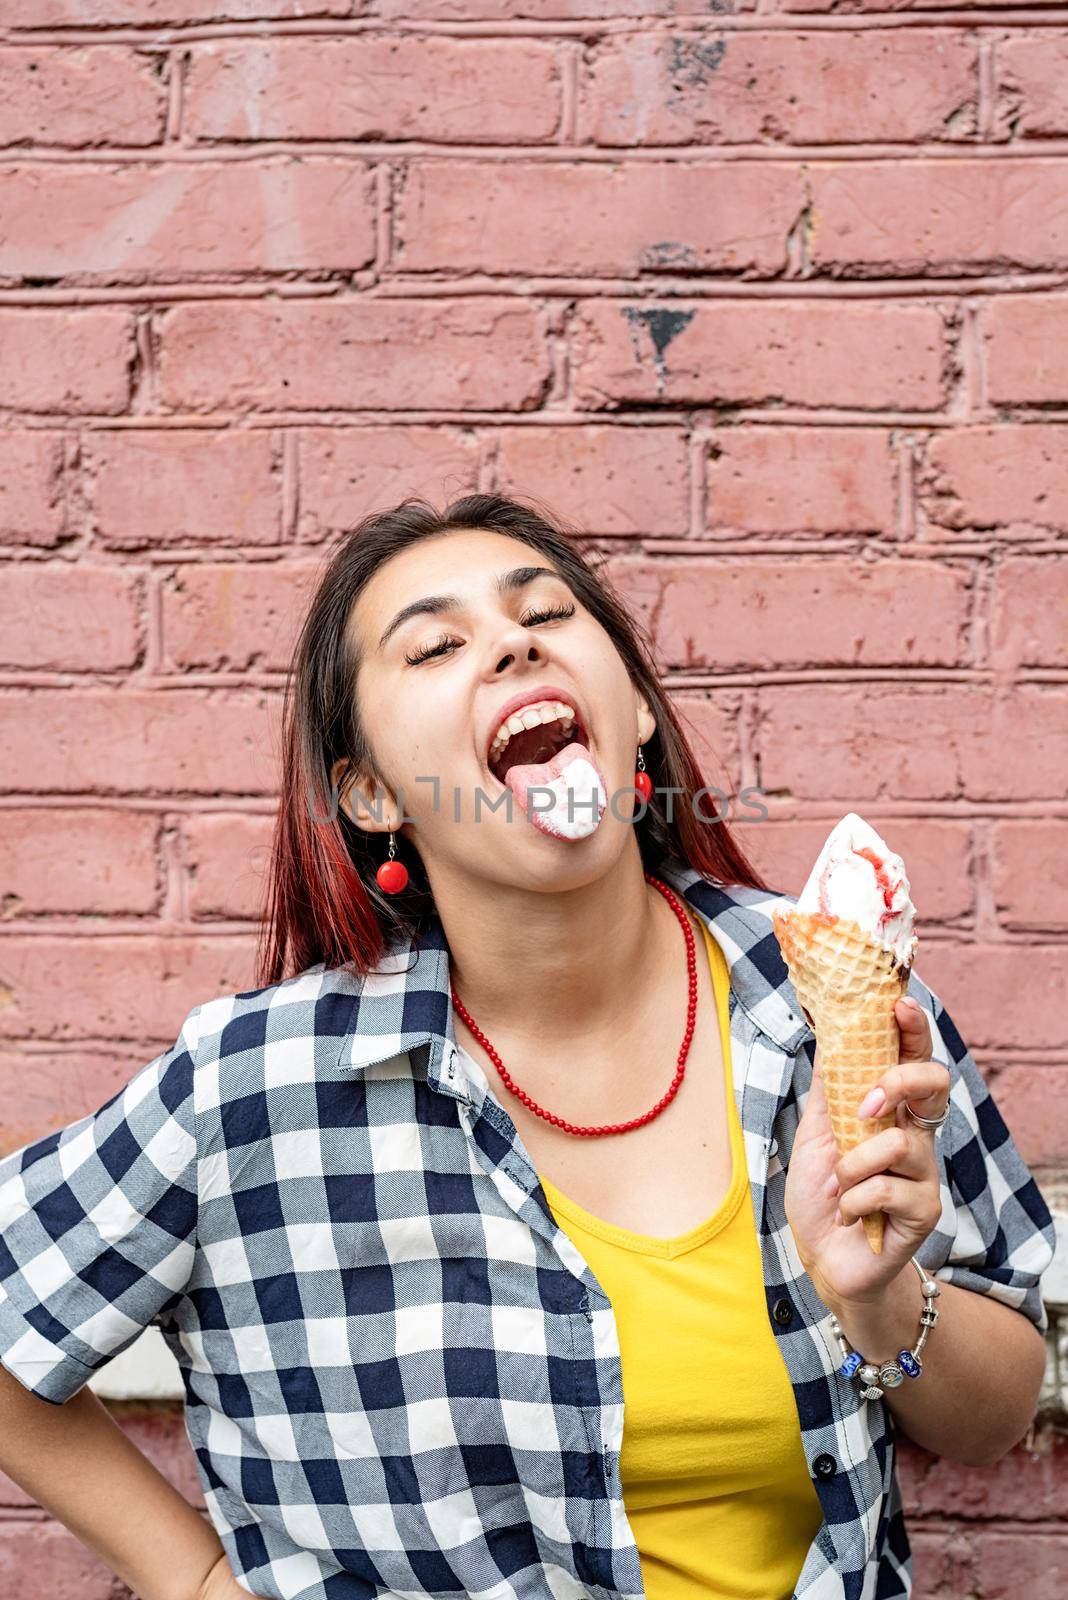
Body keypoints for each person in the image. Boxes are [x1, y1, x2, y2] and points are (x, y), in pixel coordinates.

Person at [0, 494, 1056, 1600]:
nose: (511, 642)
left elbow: (995, 1416)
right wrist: (205, 1579)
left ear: (638, 713)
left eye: (545, 611)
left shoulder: (831, 998)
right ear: (368, 793)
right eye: (436, 646)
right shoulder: (259, 1086)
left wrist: (879, 1300)